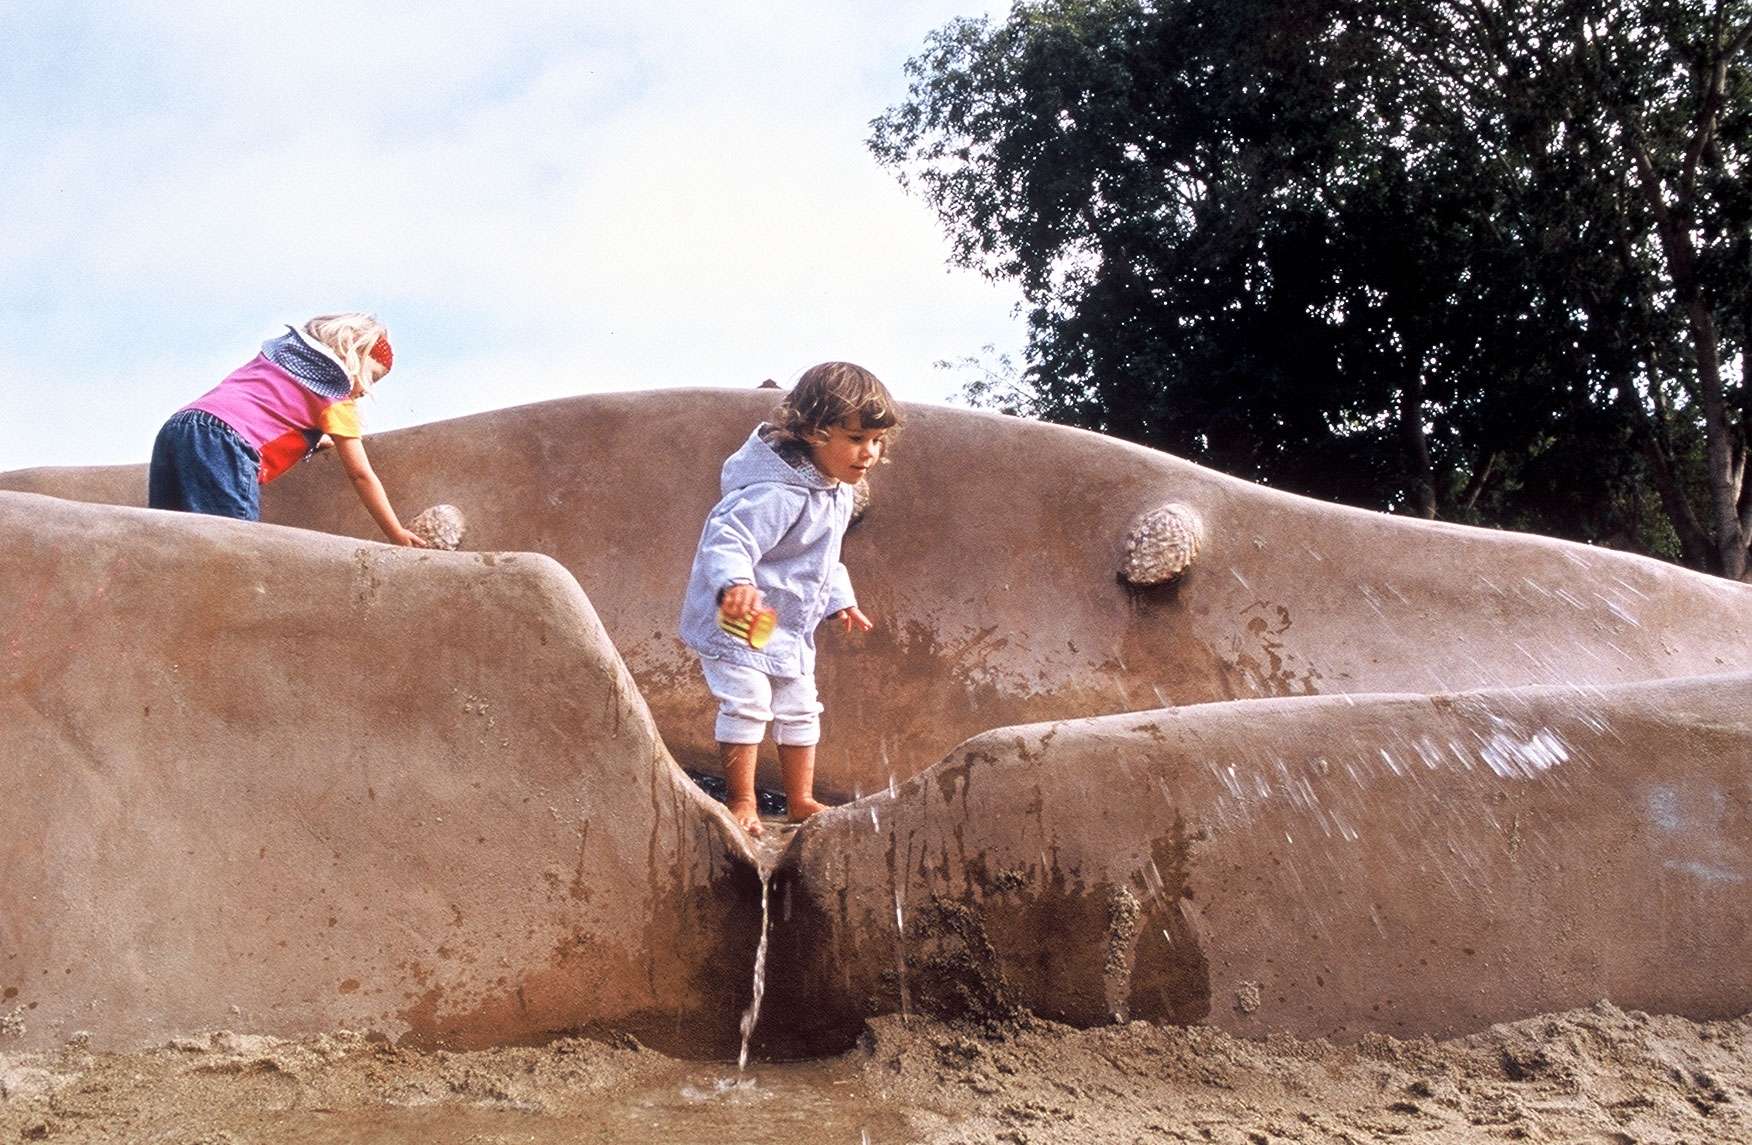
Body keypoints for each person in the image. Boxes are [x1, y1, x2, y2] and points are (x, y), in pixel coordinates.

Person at [679, 362, 902, 836]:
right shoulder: (774, 492)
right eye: (857, 438)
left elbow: (824, 559)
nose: (869, 453)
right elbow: (728, 539)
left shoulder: (836, 493)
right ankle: (741, 799)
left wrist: (842, 600)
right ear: (812, 431)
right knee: (748, 702)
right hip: (739, 614)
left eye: (877, 441)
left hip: (787, 623)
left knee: (802, 706)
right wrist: (736, 583)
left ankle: (800, 799)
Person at [147, 313, 425, 546]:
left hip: (179, 429)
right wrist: (395, 532)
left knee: (172, 541)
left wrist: (312, 440)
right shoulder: (335, 396)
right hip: (227, 444)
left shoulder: (280, 360)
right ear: (355, 361)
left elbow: (269, 410)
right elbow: (361, 475)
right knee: (233, 548)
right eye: (371, 377)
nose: (366, 390)